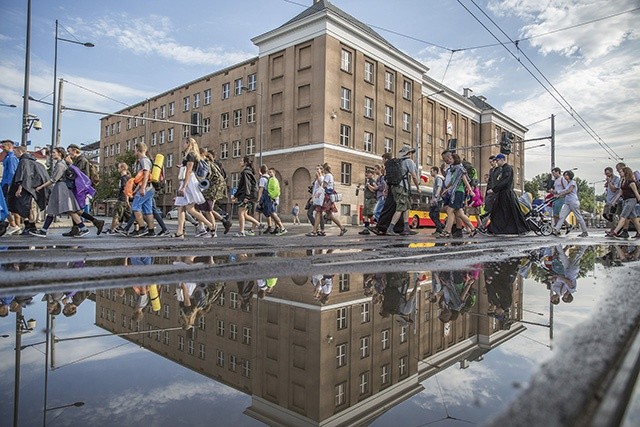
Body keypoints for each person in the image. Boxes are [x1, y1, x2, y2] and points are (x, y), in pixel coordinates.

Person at [30, 147, 87, 237]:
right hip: (60, 188)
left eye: (54, 152)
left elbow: (53, 179)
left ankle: (83, 228)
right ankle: (43, 230)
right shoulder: (60, 164)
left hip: (61, 188)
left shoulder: (60, 165)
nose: (52, 154)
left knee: (69, 209)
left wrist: (41, 186)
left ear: (60, 153)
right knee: (55, 209)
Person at [173, 137, 215, 238]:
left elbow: (189, 171)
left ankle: (210, 225)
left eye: (184, 143)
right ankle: (179, 231)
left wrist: (184, 186)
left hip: (188, 183)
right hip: (187, 182)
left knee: (190, 209)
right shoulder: (189, 155)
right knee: (181, 207)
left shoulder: (191, 155)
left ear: (188, 144)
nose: (183, 145)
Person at [6, 145, 50, 235]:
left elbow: (23, 176)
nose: (14, 154)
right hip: (32, 189)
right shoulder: (34, 161)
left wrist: (19, 188)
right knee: (28, 207)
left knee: (24, 207)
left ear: (20, 152)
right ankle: (30, 226)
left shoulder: (23, 161)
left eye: (15, 152)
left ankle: (30, 227)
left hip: (26, 189)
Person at [486, 153, 529, 235]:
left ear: (502, 160)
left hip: (507, 194)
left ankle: (519, 229)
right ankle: (495, 229)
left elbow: (505, 181)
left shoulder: (507, 168)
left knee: (511, 212)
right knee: (498, 212)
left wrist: (494, 189)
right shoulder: (502, 169)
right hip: (501, 193)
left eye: (498, 160)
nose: (497, 162)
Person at [67, 144, 105, 234]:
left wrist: (71, 164)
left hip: (80, 188)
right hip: (77, 187)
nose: (69, 154)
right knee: (75, 209)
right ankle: (76, 228)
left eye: (69, 151)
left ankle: (96, 222)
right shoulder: (78, 160)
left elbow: (78, 173)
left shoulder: (82, 160)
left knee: (75, 209)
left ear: (75, 151)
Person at [439, 151, 477, 238]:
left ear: (455, 159)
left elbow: (465, 181)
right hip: (455, 192)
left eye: (451, 158)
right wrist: (446, 190)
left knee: (450, 210)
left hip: (458, 193)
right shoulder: (455, 169)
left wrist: (470, 190)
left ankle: (447, 231)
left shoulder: (460, 169)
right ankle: (473, 229)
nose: (449, 160)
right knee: (460, 213)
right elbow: (454, 183)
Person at [129, 142, 156, 237]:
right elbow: (142, 179)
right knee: (148, 210)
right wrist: (136, 189)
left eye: (134, 149)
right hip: (150, 188)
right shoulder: (147, 160)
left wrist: (142, 188)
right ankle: (151, 231)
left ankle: (142, 228)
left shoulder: (144, 161)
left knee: (135, 207)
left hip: (146, 188)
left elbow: (146, 175)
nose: (134, 151)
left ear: (137, 150)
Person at [312, 163, 347, 236]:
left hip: (326, 197)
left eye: (322, 169)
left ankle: (314, 231)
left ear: (324, 169)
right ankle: (342, 228)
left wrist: (319, 179)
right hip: (329, 197)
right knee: (329, 214)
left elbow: (324, 185)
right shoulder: (330, 175)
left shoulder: (327, 176)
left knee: (319, 212)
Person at [551, 170, 588, 237]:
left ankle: (585, 231)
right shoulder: (567, 184)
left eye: (566, 175)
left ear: (570, 176)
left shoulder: (573, 182)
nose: (565, 176)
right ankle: (556, 230)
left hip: (573, 202)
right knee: (562, 216)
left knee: (578, 217)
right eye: (564, 175)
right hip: (567, 202)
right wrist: (557, 193)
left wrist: (559, 193)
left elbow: (569, 191)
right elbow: (564, 191)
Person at [606, 166, 640, 238]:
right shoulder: (622, 181)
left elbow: (636, 193)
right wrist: (614, 201)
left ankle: (615, 232)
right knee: (633, 218)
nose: (620, 173)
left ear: (626, 173)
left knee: (623, 216)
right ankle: (639, 232)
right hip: (625, 200)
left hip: (631, 200)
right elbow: (620, 192)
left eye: (621, 172)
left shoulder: (631, 182)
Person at [232, 156, 261, 236]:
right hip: (248, 195)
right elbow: (242, 186)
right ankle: (259, 224)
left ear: (245, 163)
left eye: (241, 161)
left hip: (246, 196)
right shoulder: (249, 172)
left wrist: (246, 197)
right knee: (245, 214)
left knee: (240, 213)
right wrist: (235, 196)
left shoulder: (245, 172)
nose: (240, 162)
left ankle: (241, 232)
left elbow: (246, 185)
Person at [1, 140, 21, 235]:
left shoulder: (11, 158)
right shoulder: (8, 156)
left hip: (8, 184)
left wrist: (9, 185)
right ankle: (17, 226)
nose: (2, 148)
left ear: (9, 146)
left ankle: (14, 225)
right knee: (11, 206)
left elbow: (12, 173)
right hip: (5, 183)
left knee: (6, 206)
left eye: (3, 146)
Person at [108, 162, 132, 234]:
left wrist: (127, 199)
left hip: (122, 199)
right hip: (125, 199)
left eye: (118, 168)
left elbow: (126, 189)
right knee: (129, 216)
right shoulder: (128, 177)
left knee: (116, 214)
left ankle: (112, 229)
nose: (118, 169)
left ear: (122, 168)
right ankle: (137, 229)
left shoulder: (123, 178)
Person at [359, 169, 377, 235]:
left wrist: (368, 185)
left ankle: (379, 223)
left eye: (369, 173)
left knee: (370, 214)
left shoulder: (373, 181)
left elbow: (374, 189)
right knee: (365, 214)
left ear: (372, 174)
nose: (367, 174)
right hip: (367, 199)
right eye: (367, 173)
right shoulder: (368, 181)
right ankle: (366, 229)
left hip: (371, 200)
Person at [429, 166, 445, 235]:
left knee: (435, 214)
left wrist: (436, 197)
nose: (430, 173)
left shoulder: (438, 179)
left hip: (438, 200)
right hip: (435, 200)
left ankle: (439, 230)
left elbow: (439, 187)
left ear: (435, 171)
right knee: (431, 214)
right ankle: (441, 226)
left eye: (431, 171)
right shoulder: (436, 179)